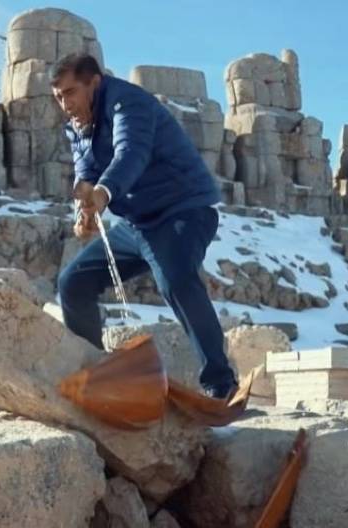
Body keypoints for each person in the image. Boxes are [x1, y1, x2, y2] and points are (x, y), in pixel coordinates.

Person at [52, 53, 238, 399]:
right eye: (59, 96)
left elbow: (130, 154)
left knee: (176, 279)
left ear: (95, 81)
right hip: (138, 224)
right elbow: (85, 169)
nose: (66, 104)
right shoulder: (76, 124)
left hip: (183, 210)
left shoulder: (128, 103)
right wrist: (84, 203)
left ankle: (220, 385)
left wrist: (104, 194)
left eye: (71, 92)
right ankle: (96, 378)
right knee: (72, 282)